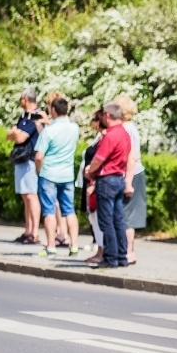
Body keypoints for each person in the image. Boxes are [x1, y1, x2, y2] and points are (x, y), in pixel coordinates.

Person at [84, 103, 131, 269]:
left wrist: (90, 171)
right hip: (119, 178)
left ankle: (110, 257)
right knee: (118, 219)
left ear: (108, 116)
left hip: (107, 179)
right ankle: (122, 256)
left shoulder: (111, 135)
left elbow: (99, 158)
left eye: (104, 115)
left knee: (106, 221)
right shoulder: (125, 134)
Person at [34, 97, 81, 258]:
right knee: (69, 210)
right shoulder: (74, 128)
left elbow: (39, 156)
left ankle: (51, 246)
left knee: (49, 211)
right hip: (67, 174)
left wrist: (38, 171)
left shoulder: (49, 131)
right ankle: (74, 245)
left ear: (53, 110)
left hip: (49, 174)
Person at [6, 88, 45, 245]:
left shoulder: (34, 116)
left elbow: (20, 137)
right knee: (25, 196)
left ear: (26, 99)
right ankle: (27, 230)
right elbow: (9, 135)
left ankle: (34, 233)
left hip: (29, 158)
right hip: (20, 159)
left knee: (31, 195)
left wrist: (15, 133)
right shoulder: (23, 116)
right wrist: (14, 133)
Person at [113, 94, 147, 265]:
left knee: (127, 216)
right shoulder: (131, 126)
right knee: (127, 215)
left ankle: (128, 252)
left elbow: (131, 157)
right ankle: (127, 251)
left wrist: (127, 181)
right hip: (134, 172)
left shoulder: (125, 128)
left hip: (131, 174)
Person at [78, 109, 106, 264]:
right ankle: (99, 246)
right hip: (90, 181)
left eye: (94, 119)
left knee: (99, 217)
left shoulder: (104, 138)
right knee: (93, 217)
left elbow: (101, 161)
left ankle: (102, 250)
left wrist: (93, 181)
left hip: (95, 182)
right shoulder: (98, 138)